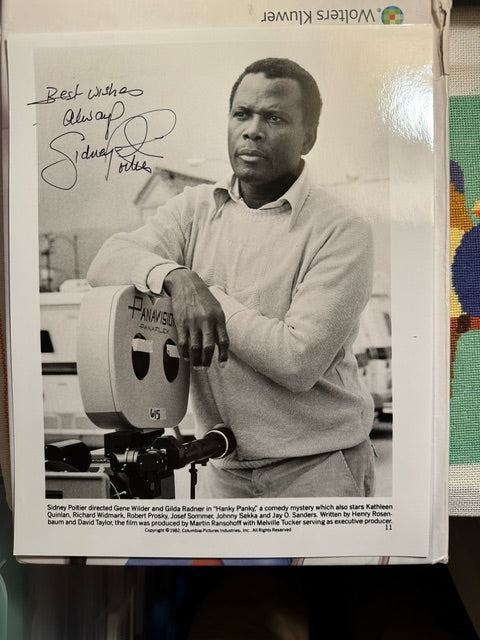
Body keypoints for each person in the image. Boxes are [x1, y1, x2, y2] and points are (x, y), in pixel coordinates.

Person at [88, 57, 375, 498]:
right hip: (223, 471)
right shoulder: (194, 209)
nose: (253, 130)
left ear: (308, 137)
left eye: (274, 118)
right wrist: (179, 279)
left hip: (317, 471)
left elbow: (296, 361)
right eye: (242, 114)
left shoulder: (341, 230)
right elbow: (106, 262)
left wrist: (210, 298)